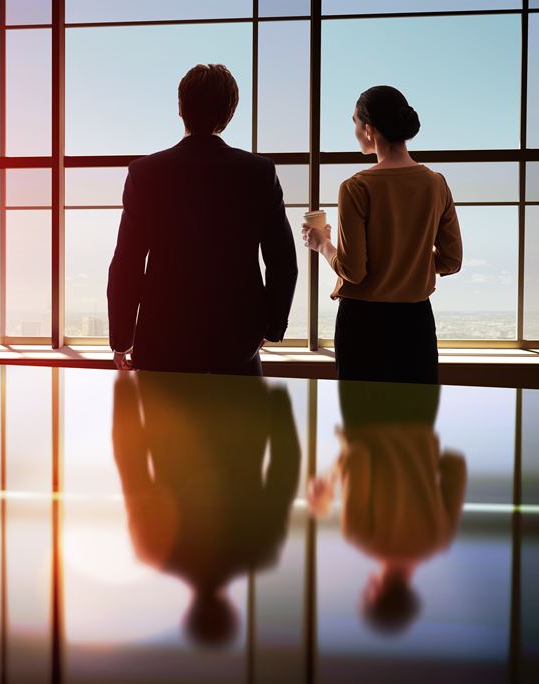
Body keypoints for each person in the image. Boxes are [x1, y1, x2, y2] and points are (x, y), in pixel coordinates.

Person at [107, 64, 298, 376]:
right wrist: (273, 326)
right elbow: (282, 260)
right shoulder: (257, 172)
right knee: (238, 425)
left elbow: (127, 261)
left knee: (163, 426)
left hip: (162, 339)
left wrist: (121, 338)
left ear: (181, 108)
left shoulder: (146, 173)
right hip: (237, 340)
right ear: (230, 112)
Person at [112, 371, 301, 646]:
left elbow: (285, 468)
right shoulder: (153, 550)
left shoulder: (261, 548)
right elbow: (130, 462)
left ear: (229, 609)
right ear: (190, 611)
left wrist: (280, 402)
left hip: (239, 400)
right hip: (168, 395)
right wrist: (125, 395)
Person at [302, 86, 462, 384]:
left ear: (369, 129)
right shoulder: (436, 184)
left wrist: (322, 243)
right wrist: (408, 262)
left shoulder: (356, 187)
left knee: (362, 423)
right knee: (416, 422)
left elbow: (353, 271)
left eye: (354, 122)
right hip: (416, 323)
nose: (354, 131)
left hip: (363, 325)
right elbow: (452, 260)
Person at [307, 381, 466, 635]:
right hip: (366, 412)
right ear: (374, 593)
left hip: (419, 412)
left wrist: (416, 458)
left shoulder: (440, 540)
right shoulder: (359, 536)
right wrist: (331, 481)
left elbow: (455, 465)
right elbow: (358, 457)